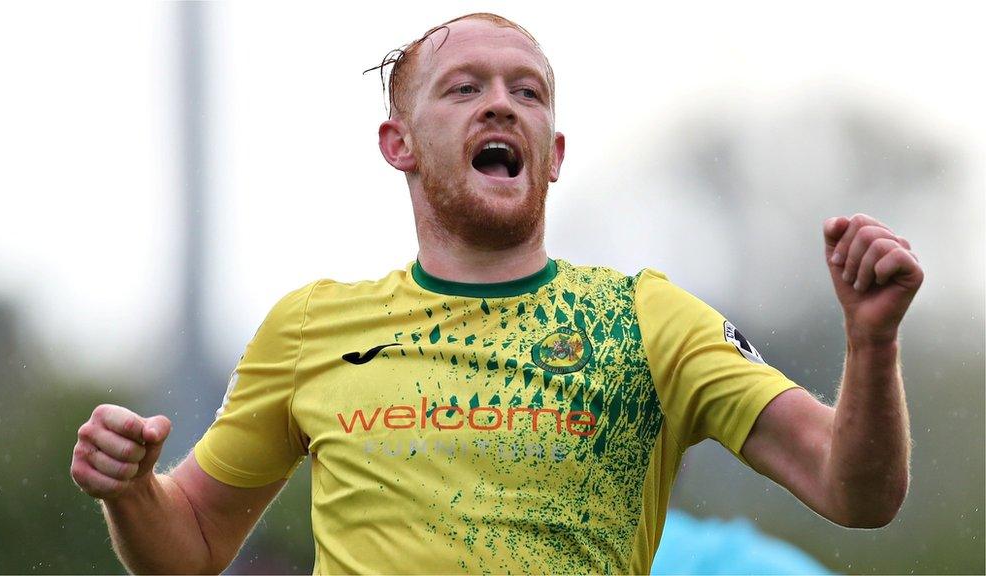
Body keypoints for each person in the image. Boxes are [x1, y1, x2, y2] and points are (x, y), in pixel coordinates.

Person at [70, 12, 923, 574]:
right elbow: (190, 547)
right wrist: (132, 492)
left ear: (552, 154)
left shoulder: (645, 319)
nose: (502, 106)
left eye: (528, 91)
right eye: (465, 88)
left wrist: (872, 345)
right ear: (397, 143)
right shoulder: (310, 328)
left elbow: (856, 492)